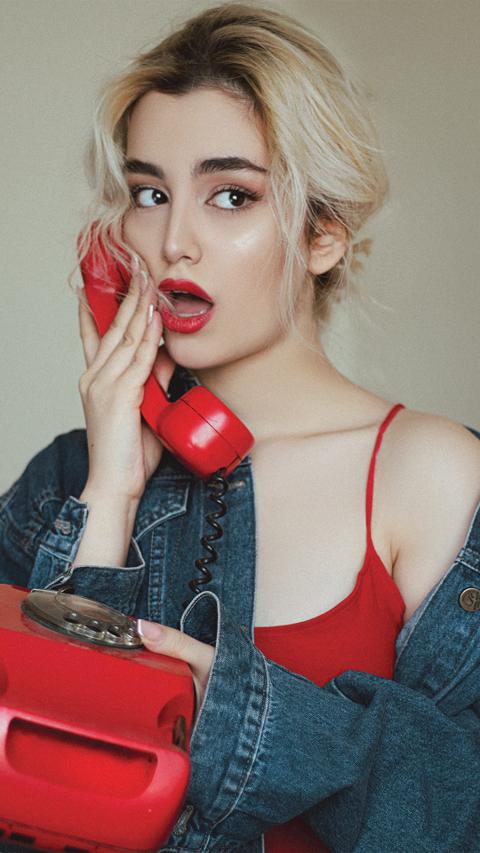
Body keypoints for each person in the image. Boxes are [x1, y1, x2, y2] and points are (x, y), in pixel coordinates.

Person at [1, 4, 479, 851]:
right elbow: (36, 796)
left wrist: (244, 717)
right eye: (150, 194)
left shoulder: (430, 472)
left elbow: (455, 808)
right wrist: (111, 494)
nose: (173, 242)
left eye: (231, 195)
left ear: (322, 233)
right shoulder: (67, 482)